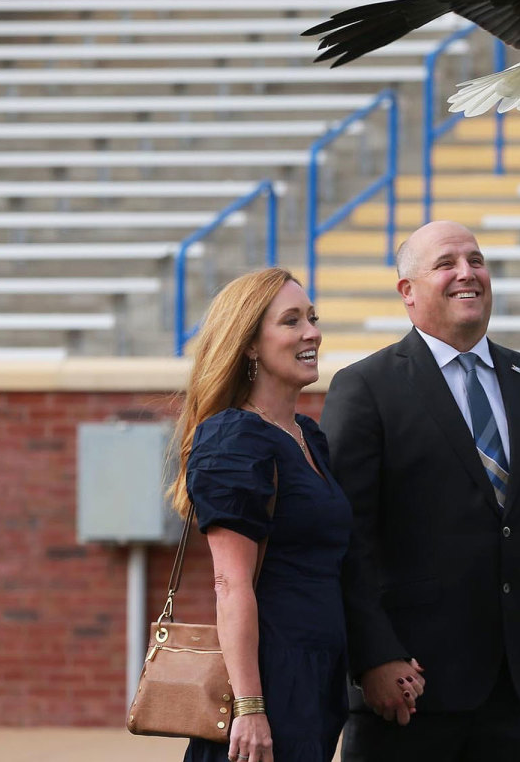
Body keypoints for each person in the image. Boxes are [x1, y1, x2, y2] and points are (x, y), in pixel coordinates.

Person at [319, 220, 520, 762]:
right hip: (409, 695)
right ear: (408, 292)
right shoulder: (365, 388)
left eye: (476, 260)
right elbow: (349, 545)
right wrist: (372, 658)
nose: (467, 273)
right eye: (446, 263)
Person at [166, 268, 420, 762]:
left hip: (316, 679)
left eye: (312, 317)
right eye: (291, 321)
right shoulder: (234, 438)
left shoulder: (307, 435)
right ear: (251, 346)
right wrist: (251, 707)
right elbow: (230, 584)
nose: (312, 333)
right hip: (268, 680)